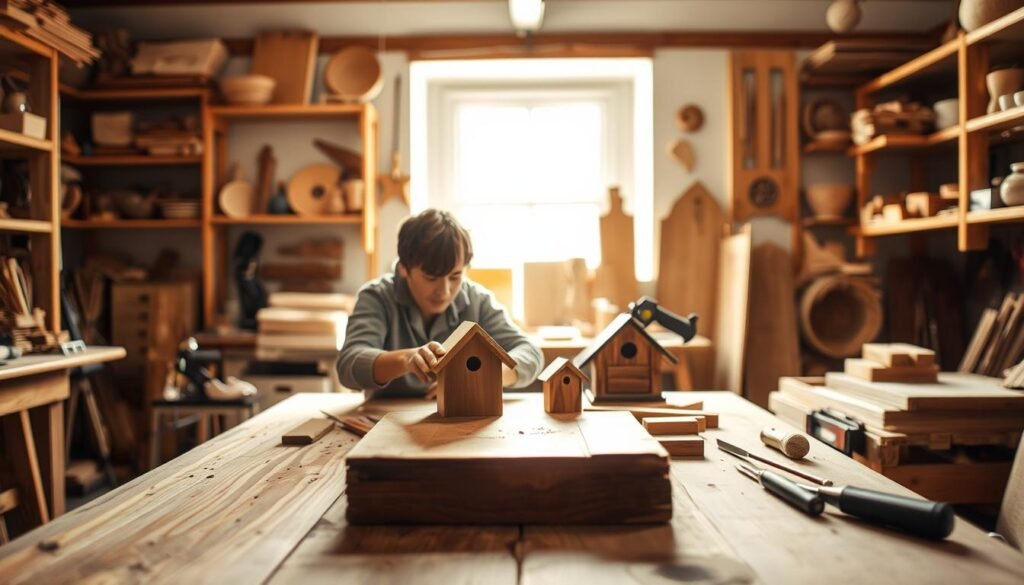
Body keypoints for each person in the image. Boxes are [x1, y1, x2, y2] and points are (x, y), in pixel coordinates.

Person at [337, 209, 543, 397]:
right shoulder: (377, 297)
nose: (444, 291)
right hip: (386, 422)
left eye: (454, 276)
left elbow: (530, 353)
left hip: (458, 424)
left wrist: (487, 376)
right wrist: (405, 360)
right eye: (431, 277)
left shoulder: (478, 301)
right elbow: (348, 366)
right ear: (404, 268)